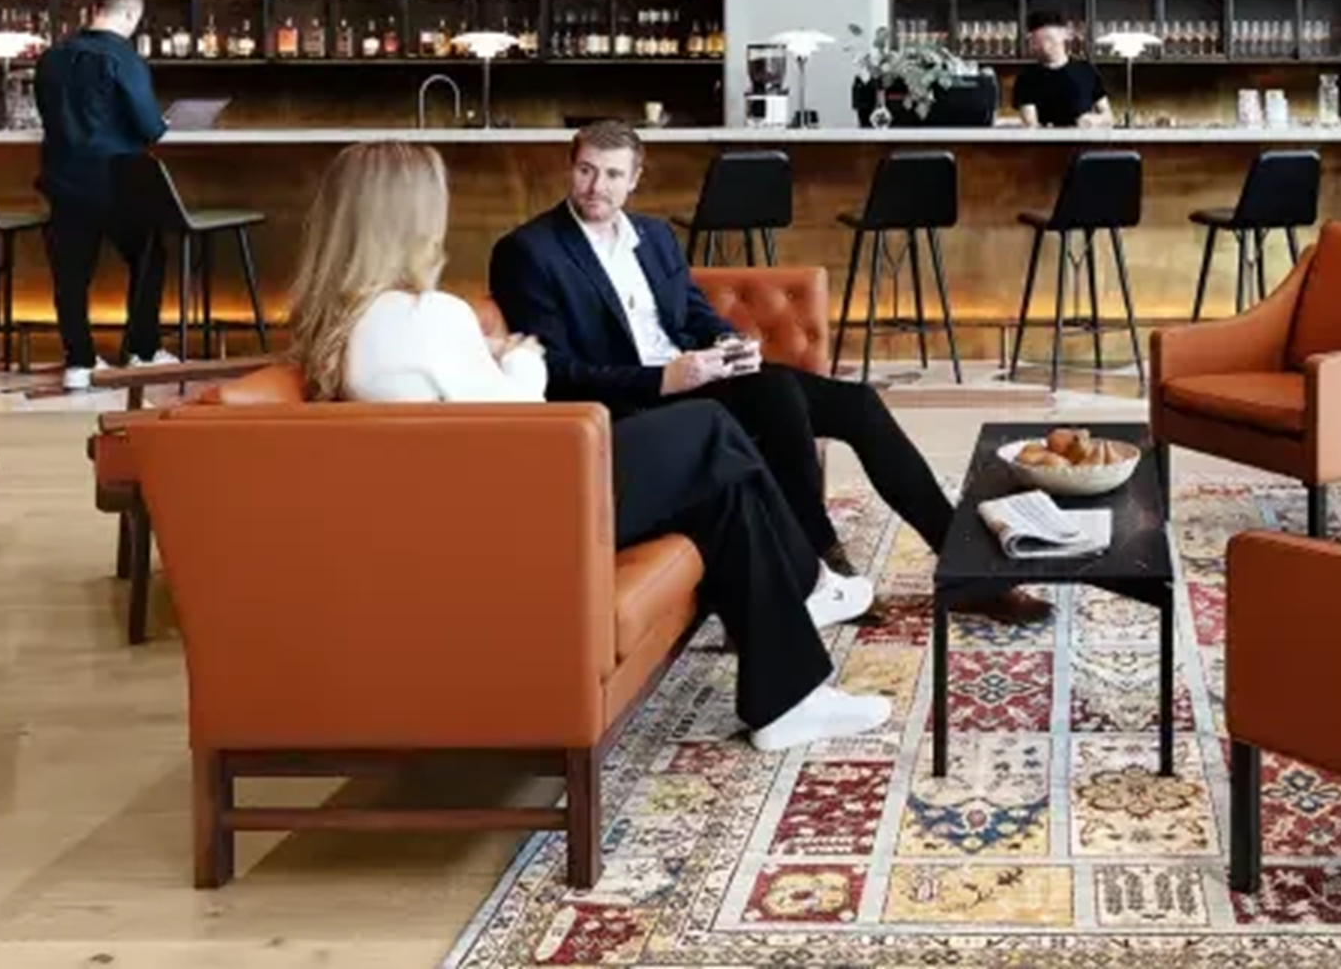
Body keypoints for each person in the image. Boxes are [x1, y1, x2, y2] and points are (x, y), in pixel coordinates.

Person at [288, 140, 890, 752]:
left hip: (469, 509)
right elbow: (519, 414)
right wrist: (520, 359)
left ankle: (788, 696)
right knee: (710, 428)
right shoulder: (427, 316)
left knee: (721, 489)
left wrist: (491, 359)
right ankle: (808, 587)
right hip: (524, 509)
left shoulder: (347, 321)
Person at [491, 120, 1047, 621]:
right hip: (638, 406)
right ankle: (822, 563)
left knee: (858, 403)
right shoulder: (530, 251)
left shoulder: (653, 236)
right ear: (571, 167)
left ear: (634, 179)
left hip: (698, 378)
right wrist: (663, 379)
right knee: (778, 392)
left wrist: (728, 343)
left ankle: (963, 572)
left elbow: (692, 313)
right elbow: (556, 371)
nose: (597, 186)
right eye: (587, 170)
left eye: (613, 174)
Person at [35, 0, 171, 391]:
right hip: (117, 181)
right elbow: (149, 127)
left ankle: (78, 362)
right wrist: (160, 123)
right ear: (129, 14)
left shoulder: (52, 58)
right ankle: (142, 351)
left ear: (94, 10)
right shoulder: (124, 60)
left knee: (72, 274)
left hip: (63, 181)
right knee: (149, 255)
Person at [1011, 9, 1112, 129]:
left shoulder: (1086, 71)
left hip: (1084, 140)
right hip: (1045, 141)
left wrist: (1094, 120)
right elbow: (1030, 124)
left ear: (1064, 35)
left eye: (1049, 39)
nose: (1045, 45)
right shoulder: (1026, 78)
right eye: (1039, 41)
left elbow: (1108, 117)